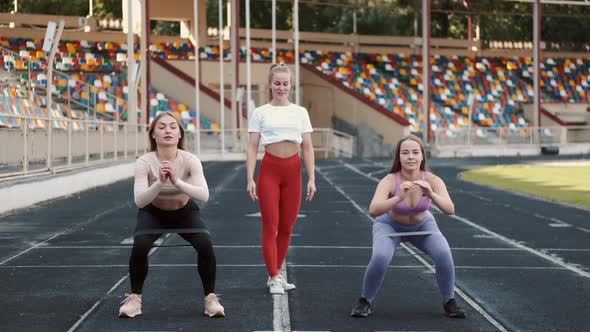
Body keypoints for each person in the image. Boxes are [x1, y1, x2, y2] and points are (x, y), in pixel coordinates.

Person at [118, 111, 224, 318]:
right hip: (153, 212)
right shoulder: (144, 162)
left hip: (184, 212)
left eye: (173, 127)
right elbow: (140, 200)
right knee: (140, 246)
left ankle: (210, 299)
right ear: (153, 135)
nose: (168, 130)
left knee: (205, 243)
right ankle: (135, 299)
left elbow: (204, 195)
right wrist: (159, 182)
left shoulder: (190, 159)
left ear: (180, 135)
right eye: (162, 127)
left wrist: (176, 181)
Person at [350, 134, 465, 319]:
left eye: (415, 152)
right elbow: (373, 210)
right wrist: (398, 198)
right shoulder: (389, 180)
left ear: (422, 157)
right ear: (399, 157)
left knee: (444, 253)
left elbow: (450, 209)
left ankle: (449, 301)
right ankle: (365, 301)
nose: (410, 156)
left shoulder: (433, 180)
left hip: (422, 226)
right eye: (405, 153)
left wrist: (431, 194)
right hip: (390, 226)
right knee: (380, 257)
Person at [246, 63, 317, 295]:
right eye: (277, 83)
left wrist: (311, 178)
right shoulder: (260, 112)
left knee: (287, 226)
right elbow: (252, 146)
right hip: (270, 170)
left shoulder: (300, 112)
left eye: (285, 83)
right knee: (271, 225)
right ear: (270, 84)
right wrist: (250, 178)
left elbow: (307, 147)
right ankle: (275, 276)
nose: (281, 87)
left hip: (293, 171)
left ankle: (275, 273)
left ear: (291, 85)